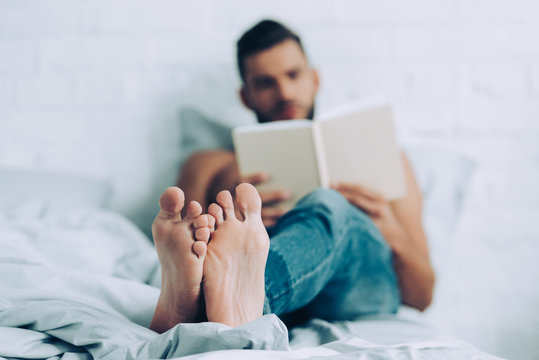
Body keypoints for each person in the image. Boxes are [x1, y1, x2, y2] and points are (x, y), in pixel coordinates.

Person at [150, 19, 435, 333]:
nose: (284, 92)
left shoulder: (386, 158)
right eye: (265, 83)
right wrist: (235, 212)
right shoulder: (211, 165)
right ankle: (226, 292)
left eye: (293, 75)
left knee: (327, 202)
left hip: (356, 288)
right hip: (289, 299)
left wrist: (388, 228)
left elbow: (422, 297)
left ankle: (218, 303)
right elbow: (190, 238)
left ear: (314, 79)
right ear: (246, 96)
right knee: (203, 240)